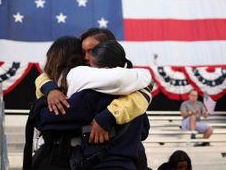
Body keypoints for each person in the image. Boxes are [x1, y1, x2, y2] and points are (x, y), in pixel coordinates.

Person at [28, 38, 150, 170]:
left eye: (91, 51)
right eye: (83, 52)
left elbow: (47, 120)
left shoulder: (88, 89)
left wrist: (109, 116)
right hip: (129, 161)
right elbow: (144, 130)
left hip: (94, 162)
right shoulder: (135, 92)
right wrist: (49, 87)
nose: (86, 57)